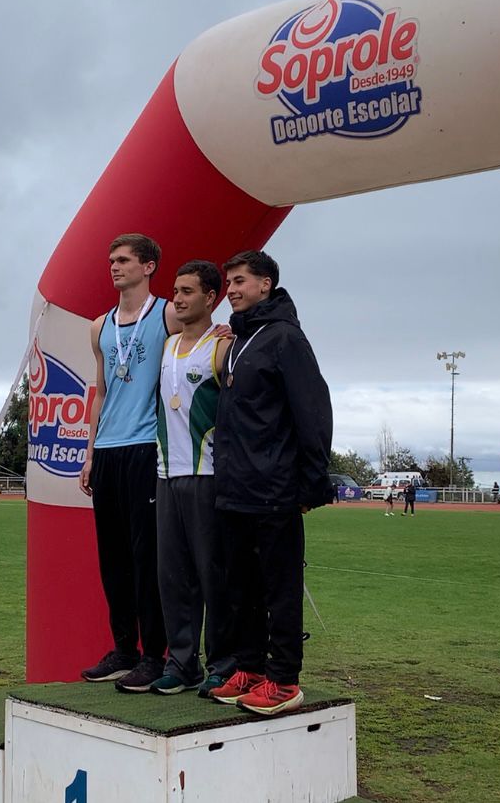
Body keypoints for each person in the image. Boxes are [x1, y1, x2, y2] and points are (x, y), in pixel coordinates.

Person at [209, 250, 333, 716]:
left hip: (275, 488)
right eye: (229, 283)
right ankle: (250, 668)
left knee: (279, 588)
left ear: (266, 284)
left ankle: (283, 679)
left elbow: (313, 413)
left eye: (240, 281)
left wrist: (310, 484)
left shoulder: (285, 338)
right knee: (240, 588)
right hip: (236, 488)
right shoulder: (240, 338)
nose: (232, 290)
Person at [78, 233, 178, 693]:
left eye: (123, 260)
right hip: (108, 451)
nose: (114, 267)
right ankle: (124, 650)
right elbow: (99, 391)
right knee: (112, 558)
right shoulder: (99, 326)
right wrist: (89, 452)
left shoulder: (167, 314)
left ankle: (156, 655)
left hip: (146, 448)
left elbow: (199, 345)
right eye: (111, 260)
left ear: (148, 266)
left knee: (146, 557)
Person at [149, 260, 235, 698]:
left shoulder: (221, 346)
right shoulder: (167, 346)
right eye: (175, 291)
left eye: (187, 291)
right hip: (167, 474)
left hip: (207, 475)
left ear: (210, 297)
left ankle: (223, 663)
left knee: (213, 575)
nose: (178, 299)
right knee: (173, 576)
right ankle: (182, 664)